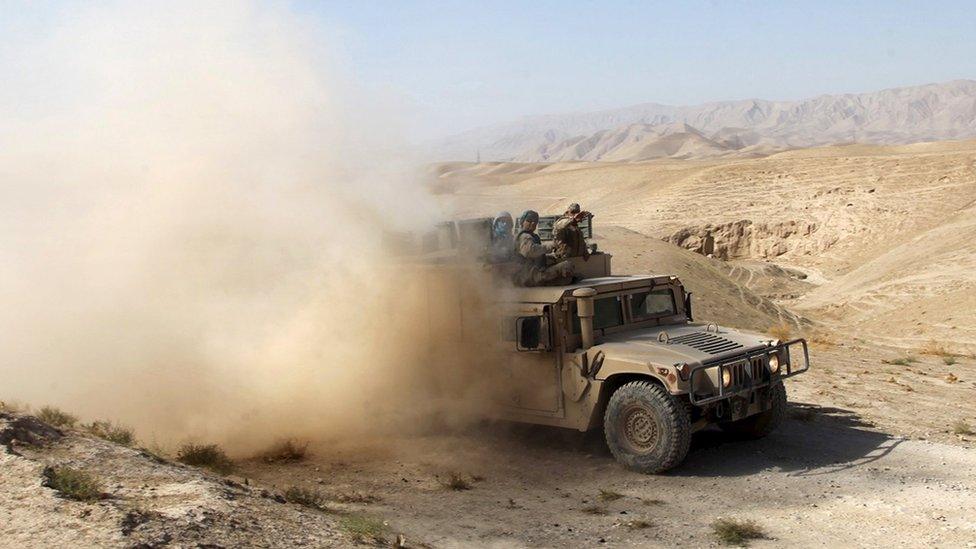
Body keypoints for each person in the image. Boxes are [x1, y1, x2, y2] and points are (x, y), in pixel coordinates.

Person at [512, 210, 574, 287]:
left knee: (568, 278)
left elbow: (536, 256)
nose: (533, 223)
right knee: (566, 265)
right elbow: (531, 251)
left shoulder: (531, 236)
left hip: (534, 273)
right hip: (531, 276)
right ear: (522, 222)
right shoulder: (524, 236)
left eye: (535, 221)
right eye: (529, 220)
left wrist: (549, 257)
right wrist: (551, 246)